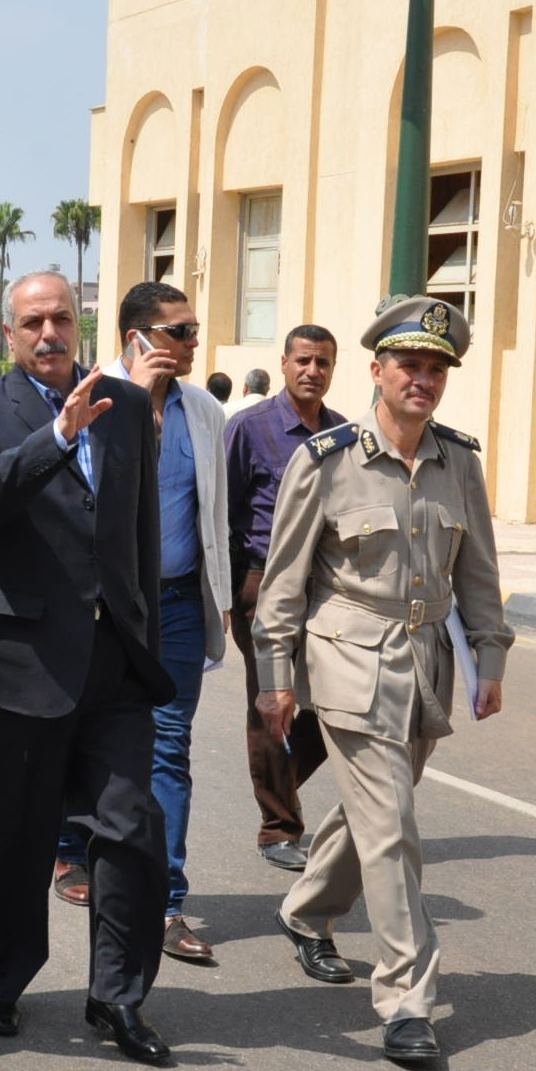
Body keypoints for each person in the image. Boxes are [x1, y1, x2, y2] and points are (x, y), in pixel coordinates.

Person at [254, 296, 511, 1066]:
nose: (422, 380)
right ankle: (407, 999)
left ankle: (307, 910)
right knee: (393, 825)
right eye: (409, 365)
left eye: (436, 369)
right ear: (377, 370)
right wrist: (275, 678)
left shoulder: (458, 461)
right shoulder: (326, 460)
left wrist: (490, 657)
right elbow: (283, 581)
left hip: (425, 661)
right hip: (348, 658)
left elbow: (478, 571)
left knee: (375, 809)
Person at [0, 270, 177, 1064]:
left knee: (131, 828)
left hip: (114, 660)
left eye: (62, 318)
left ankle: (118, 996)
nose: (49, 333)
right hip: (22, 659)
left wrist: (144, 633)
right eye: (33, 322)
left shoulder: (129, 405)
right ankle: (0, 978)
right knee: (12, 832)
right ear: (9, 334)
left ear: (80, 325)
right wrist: (60, 436)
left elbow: (138, 527)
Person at [50, 282, 229, 966]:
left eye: (193, 330)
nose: (192, 343)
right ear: (138, 338)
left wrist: (221, 593)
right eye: (179, 332)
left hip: (175, 604)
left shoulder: (205, 411)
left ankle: (165, 902)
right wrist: (141, 406)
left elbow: (212, 509)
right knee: (80, 731)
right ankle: (69, 848)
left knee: (168, 745)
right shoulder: (92, 400)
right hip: (102, 604)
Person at [225, 324, 344, 871]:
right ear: (284, 363)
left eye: (323, 363)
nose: (312, 371)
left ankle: (278, 783)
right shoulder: (249, 428)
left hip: (327, 589)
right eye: (303, 360)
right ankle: (278, 829)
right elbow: (223, 512)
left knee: (333, 702)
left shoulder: (343, 433)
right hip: (263, 584)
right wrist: (230, 593)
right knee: (274, 702)